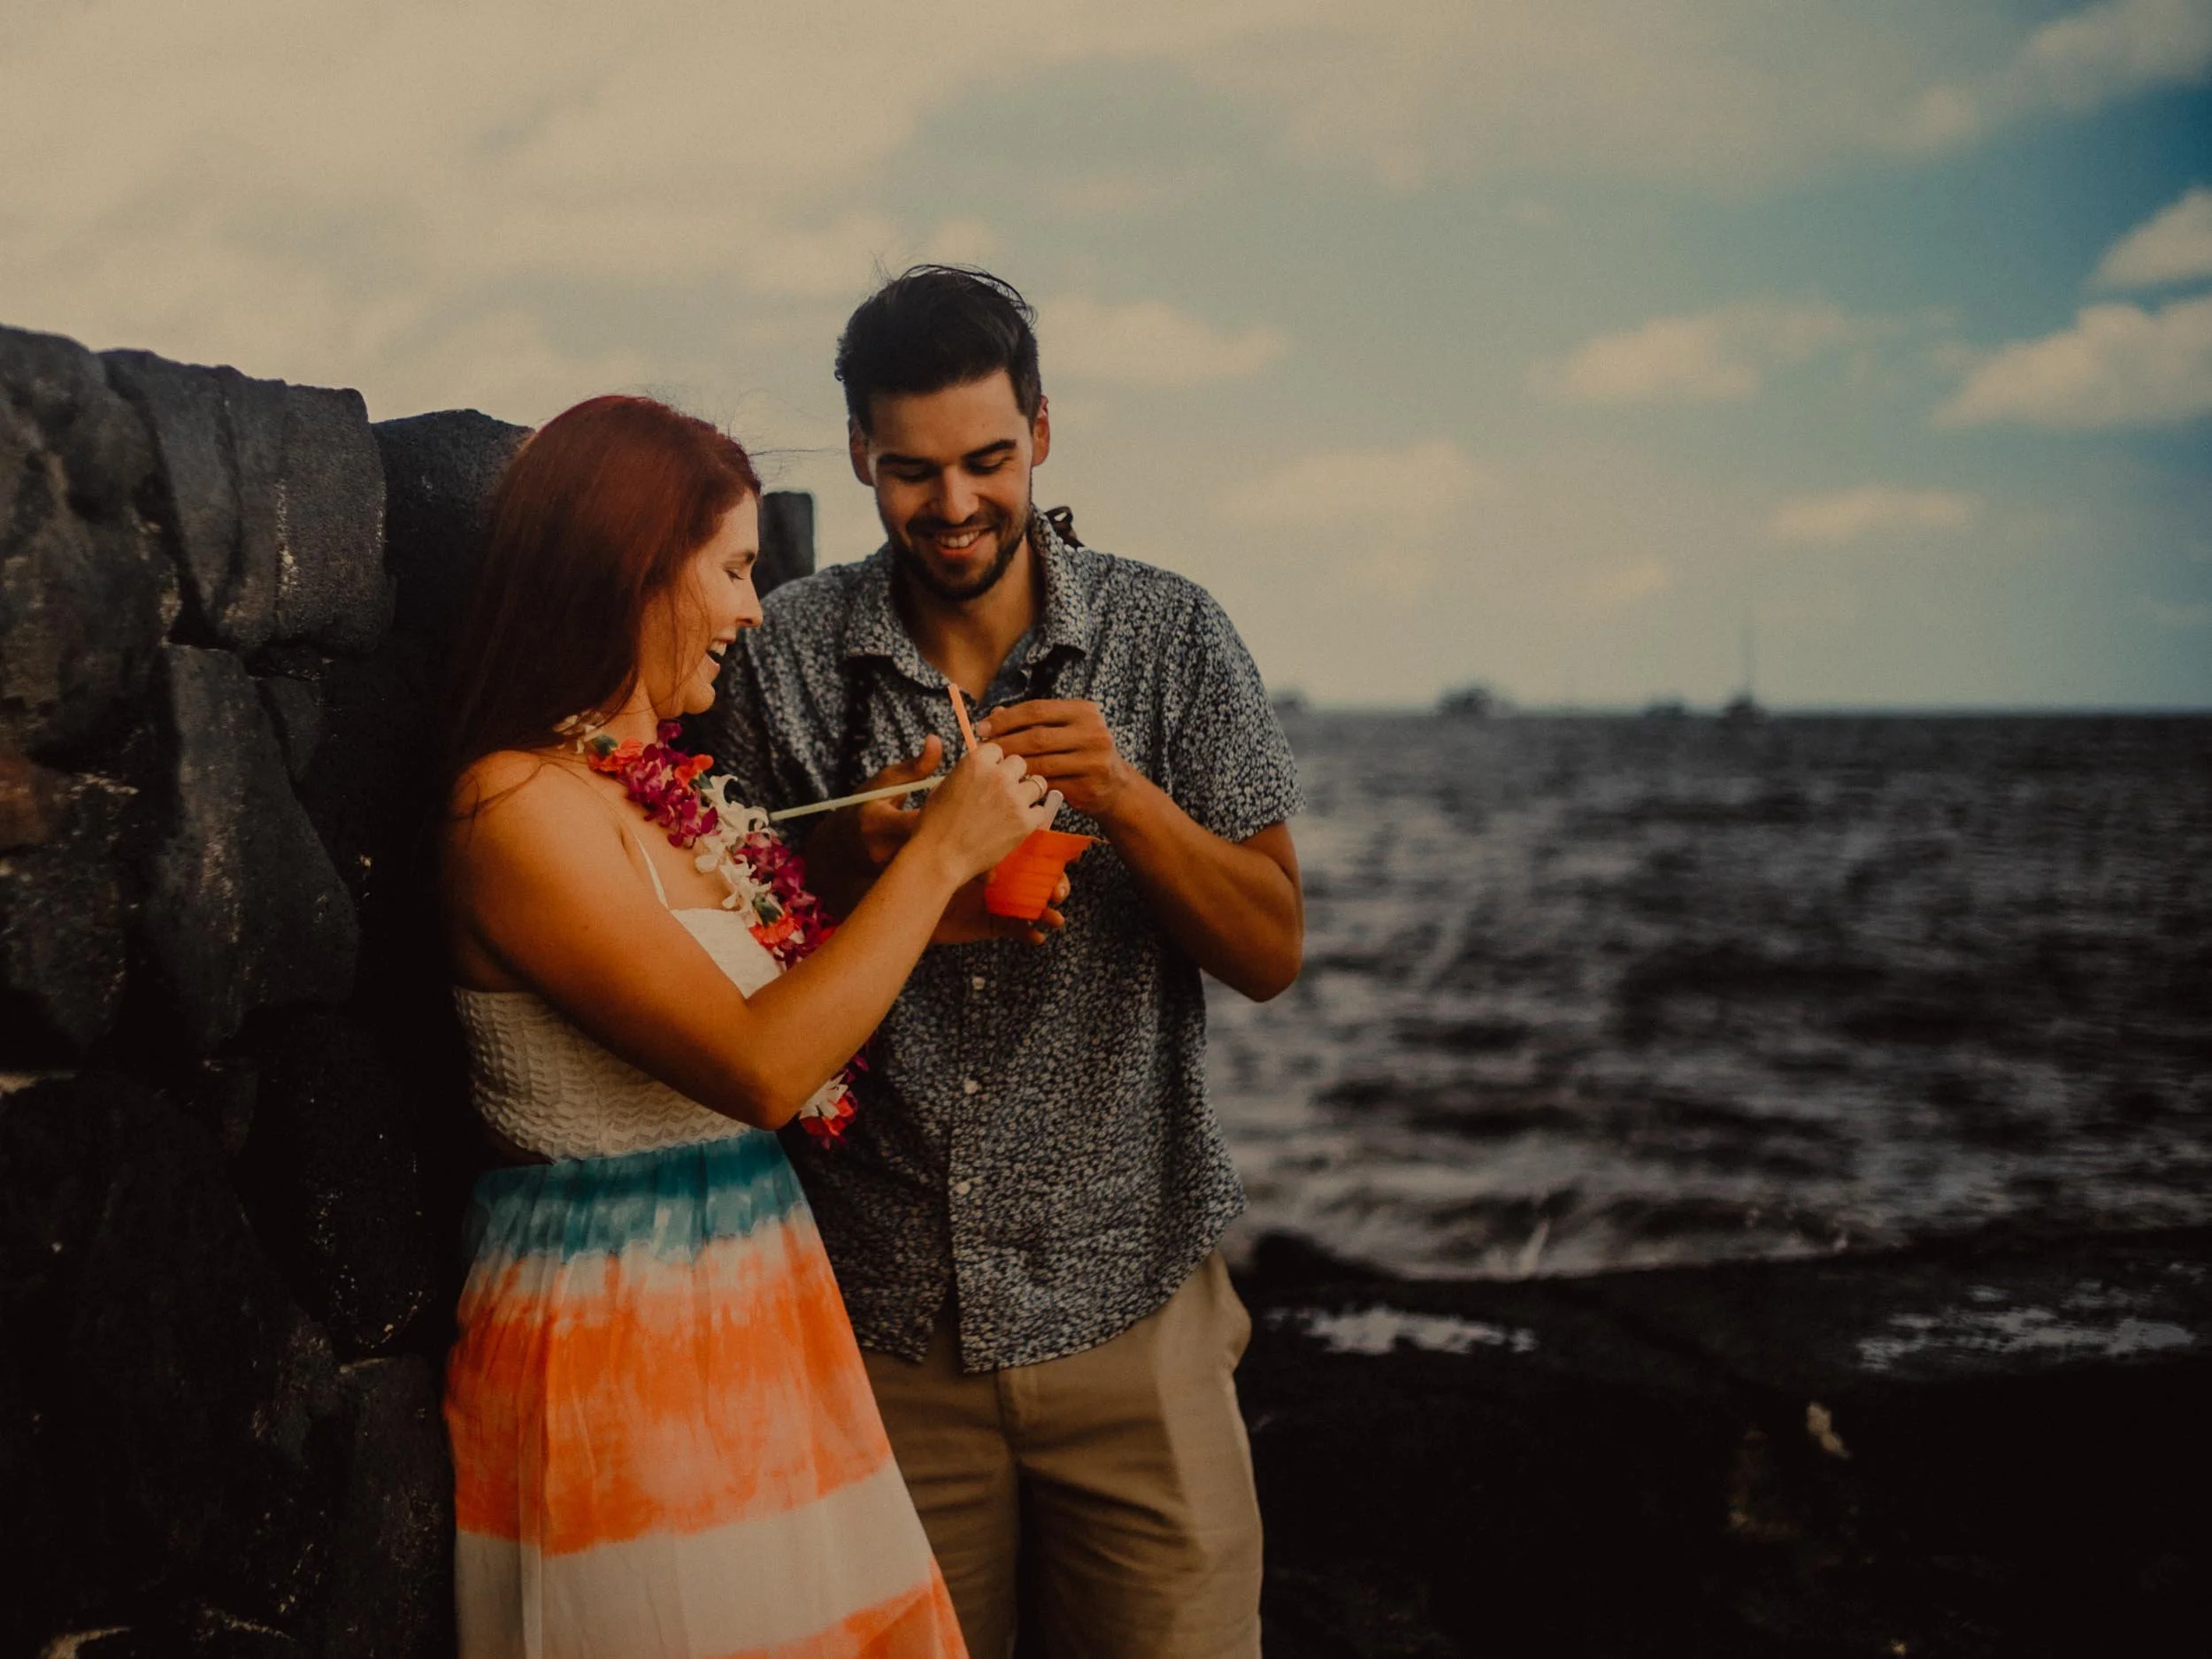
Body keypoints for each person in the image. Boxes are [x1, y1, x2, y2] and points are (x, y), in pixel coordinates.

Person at [704, 267, 1305, 1657]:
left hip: (1135, 1313)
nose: (956, 502)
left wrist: (1128, 799)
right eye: (911, 470)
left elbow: (1273, 949)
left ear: (1041, 429)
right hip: (879, 1328)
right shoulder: (783, 658)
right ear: (859, 453)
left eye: (986, 459)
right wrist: (857, 853)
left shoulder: (1173, 633)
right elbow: (725, 964)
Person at [438, 394, 1061, 1657]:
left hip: (755, 1304)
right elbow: (762, 1066)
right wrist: (939, 858)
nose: (754, 610)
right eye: (731, 568)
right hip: (618, 1340)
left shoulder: (650, 796)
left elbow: (761, 1002)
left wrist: (920, 903)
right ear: (633, 568)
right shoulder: (510, 807)